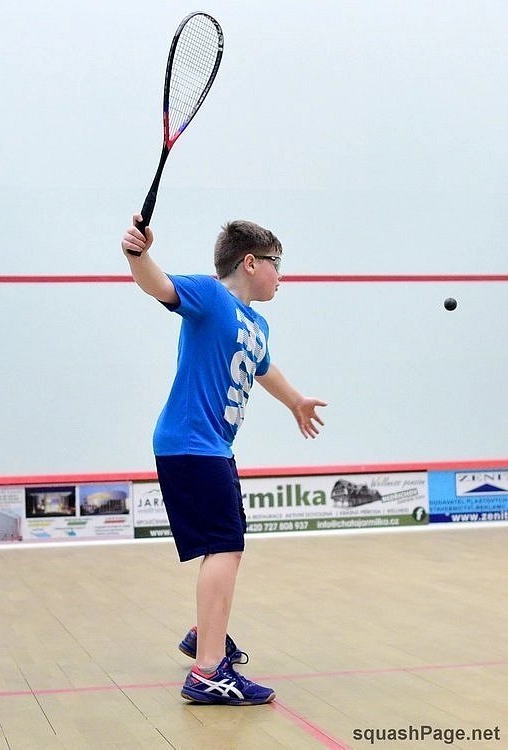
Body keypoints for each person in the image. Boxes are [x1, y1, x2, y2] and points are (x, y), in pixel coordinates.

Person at [121, 215, 326, 705]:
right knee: (225, 546)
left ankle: (204, 635)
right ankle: (209, 672)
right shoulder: (211, 296)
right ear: (250, 263)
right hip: (190, 443)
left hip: (213, 448)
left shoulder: (255, 323)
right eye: (276, 263)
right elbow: (159, 285)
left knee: (227, 545)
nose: (281, 274)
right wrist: (139, 255)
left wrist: (296, 401)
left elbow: (263, 367)